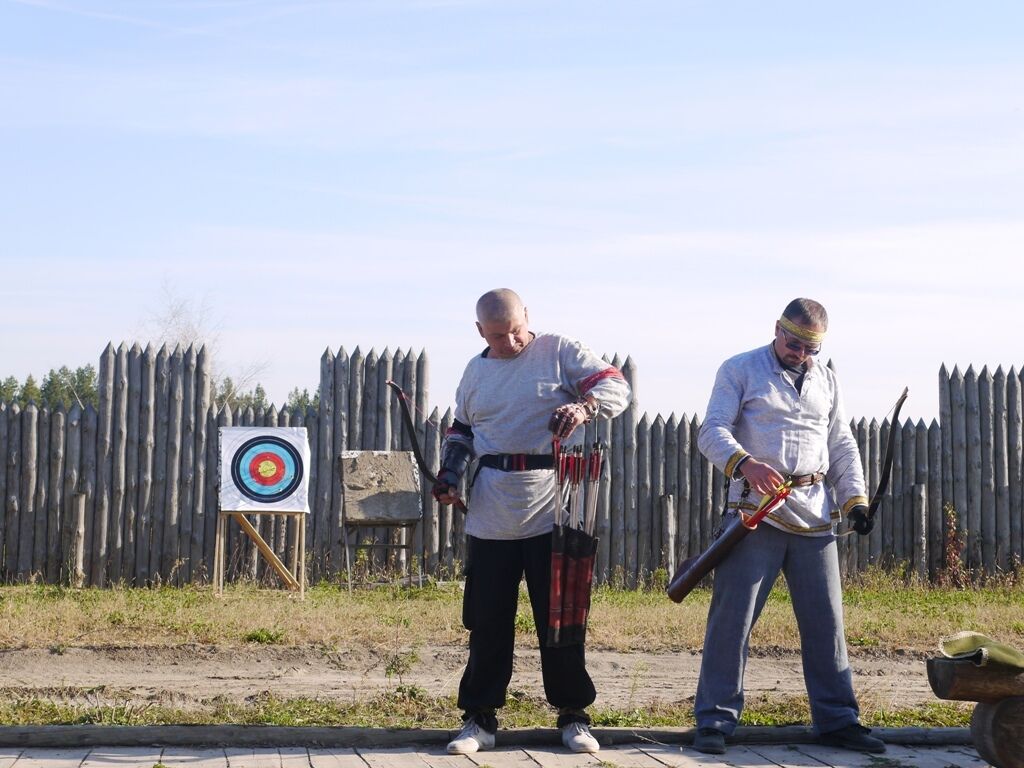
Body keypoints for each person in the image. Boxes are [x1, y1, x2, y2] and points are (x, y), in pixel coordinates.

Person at [433, 288, 631, 755]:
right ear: (480, 330)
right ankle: (479, 718)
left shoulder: (559, 350)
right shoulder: (475, 370)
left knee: (560, 620)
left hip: (553, 508)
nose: (511, 342)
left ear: (528, 318)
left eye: (517, 331)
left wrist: (584, 407)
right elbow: (462, 430)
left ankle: (573, 715)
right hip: (490, 512)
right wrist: (449, 474)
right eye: (499, 335)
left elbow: (615, 385)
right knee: (487, 622)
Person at [692, 298, 885, 756]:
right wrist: (745, 463)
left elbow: (840, 444)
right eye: (793, 343)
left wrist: (854, 499)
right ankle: (715, 721)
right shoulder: (739, 368)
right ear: (777, 330)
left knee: (826, 624)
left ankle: (837, 720)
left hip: (814, 516)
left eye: (809, 349)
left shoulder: (828, 380)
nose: (800, 354)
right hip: (754, 514)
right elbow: (711, 430)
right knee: (731, 623)